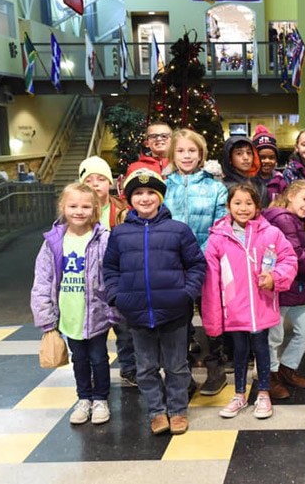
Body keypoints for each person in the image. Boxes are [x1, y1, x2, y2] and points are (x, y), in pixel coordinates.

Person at [103, 168, 206, 436]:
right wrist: (117, 296)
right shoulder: (120, 234)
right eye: (138, 193)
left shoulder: (178, 230)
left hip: (174, 311)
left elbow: (196, 265)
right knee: (146, 367)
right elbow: (110, 269)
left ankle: (178, 410)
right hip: (136, 313)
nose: (145, 198)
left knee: (176, 366)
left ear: (160, 197)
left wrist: (187, 293)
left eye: (151, 192)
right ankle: (157, 412)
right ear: (130, 198)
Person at [202, 184, 298, 419]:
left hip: (262, 307)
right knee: (239, 351)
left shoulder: (271, 233)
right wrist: (213, 319)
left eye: (248, 203)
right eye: (237, 203)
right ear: (228, 206)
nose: (243, 208)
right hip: (234, 309)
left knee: (261, 348)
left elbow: (289, 259)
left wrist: (274, 278)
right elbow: (211, 282)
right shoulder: (217, 239)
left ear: (257, 206)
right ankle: (239, 394)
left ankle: (263, 392)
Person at [31, 183, 115, 425]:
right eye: (73, 206)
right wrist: (46, 318)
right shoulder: (53, 242)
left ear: (95, 209)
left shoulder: (104, 239)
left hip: (96, 313)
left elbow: (112, 275)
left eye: (86, 206)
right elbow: (42, 281)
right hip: (68, 314)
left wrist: (113, 310)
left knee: (99, 357)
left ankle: (100, 398)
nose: (79, 211)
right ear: (63, 207)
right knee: (78, 358)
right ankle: (84, 398)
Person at [163, 128, 228, 396]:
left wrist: (199, 254)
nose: (186, 155)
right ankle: (184, 373)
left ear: (201, 154)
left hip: (207, 261)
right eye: (181, 151)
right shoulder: (163, 187)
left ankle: (216, 369)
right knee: (180, 319)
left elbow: (221, 223)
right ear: (172, 154)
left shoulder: (215, 187)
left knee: (211, 314)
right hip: (171, 263)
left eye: (192, 150)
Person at [262, 181, 305, 399]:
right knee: (274, 336)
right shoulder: (283, 218)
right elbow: (295, 255)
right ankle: (269, 376)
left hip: (295, 288)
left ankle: (286, 369)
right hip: (281, 287)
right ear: (290, 195)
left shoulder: (293, 220)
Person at [77, 156, 135, 387]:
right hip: (89, 281)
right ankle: (95, 369)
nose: (95, 183)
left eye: (101, 178)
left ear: (110, 182)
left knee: (125, 328)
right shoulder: (78, 210)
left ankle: (129, 367)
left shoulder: (122, 210)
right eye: (89, 179)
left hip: (118, 278)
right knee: (92, 329)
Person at [220, 135, 269, 206]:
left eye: (249, 153)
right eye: (239, 153)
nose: (246, 157)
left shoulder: (260, 186)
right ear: (229, 158)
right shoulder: (223, 187)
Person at [253, 125, 288, 205]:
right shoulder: (248, 181)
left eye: (271, 157)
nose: (267, 161)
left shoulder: (281, 181)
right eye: (262, 157)